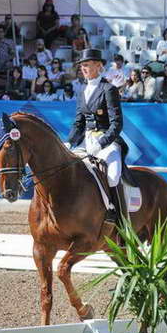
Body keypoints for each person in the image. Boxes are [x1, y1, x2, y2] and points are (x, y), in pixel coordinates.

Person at [65, 48, 128, 224]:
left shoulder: (109, 89)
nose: (83, 68)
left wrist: (101, 143)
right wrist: (69, 142)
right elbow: (79, 123)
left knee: (113, 175)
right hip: (86, 142)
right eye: (82, 66)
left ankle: (117, 217)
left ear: (99, 66)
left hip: (107, 142)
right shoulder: (82, 91)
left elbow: (117, 123)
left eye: (87, 65)